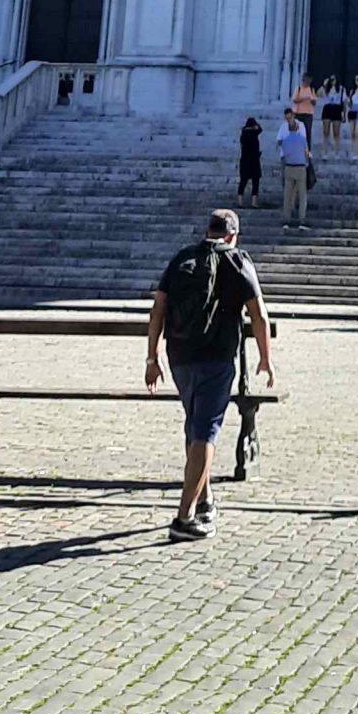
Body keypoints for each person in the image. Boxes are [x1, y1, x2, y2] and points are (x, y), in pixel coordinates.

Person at [146, 208, 274, 541]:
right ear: (233, 235)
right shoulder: (237, 260)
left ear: (207, 231)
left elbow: (158, 308)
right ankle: (184, 518)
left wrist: (152, 358)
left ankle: (204, 500)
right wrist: (265, 359)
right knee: (206, 431)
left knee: (195, 424)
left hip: (179, 356)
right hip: (215, 358)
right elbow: (259, 315)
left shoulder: (182, 258)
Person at [275, 107, 311, 227]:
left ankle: (287, 218)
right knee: (302, 194)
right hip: (300, 167)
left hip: (289, 166)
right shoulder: (302, 139)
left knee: (287, 194)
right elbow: (306, 151)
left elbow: (284, 152)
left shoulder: (285, 140)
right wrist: (306, 162)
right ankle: (302, 218)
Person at [236, 115, 264, 205]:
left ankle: (240, 201)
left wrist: (245, 127)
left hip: (244, 161)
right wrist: (257, 125)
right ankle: (254, 202)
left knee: (243, 182)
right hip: (254, 161)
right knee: (255, 182)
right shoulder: (255, 133)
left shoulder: (243, 134)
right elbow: (260, 129)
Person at [291, 73, 318, 149]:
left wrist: (312, 100)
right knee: (297, 132)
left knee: (307, 132)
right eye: (306, 81)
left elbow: (314, 103)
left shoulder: (311, 90)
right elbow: (294, 100)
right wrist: (303, 99)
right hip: (298, 113)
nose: (308, 82)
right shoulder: (298, 89)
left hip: (308, 114)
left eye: (309, 81)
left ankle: (308, 150)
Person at [319, 76, 345, 153]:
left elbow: (344, 102)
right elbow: (318, 94)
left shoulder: (341, 89)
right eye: (331, 80)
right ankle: (325, 151)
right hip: (327, 108)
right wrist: (324, 85)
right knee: (326, 132)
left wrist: (344, 114)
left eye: (333, 79)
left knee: (336, 132)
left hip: (336, 109)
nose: (332, 81)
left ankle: (337, 152)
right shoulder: (326, 89)